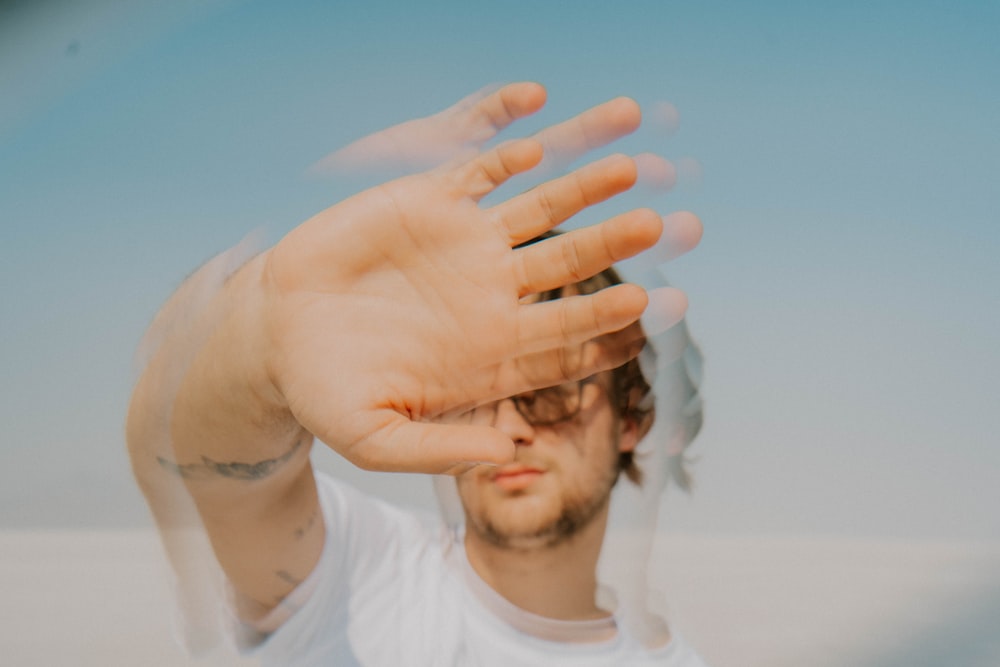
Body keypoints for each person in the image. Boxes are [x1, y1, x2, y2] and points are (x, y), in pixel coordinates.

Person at [127, 82, 707, 665]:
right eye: (477, 389)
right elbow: (188, 465)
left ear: (631, 419)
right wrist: (265, 331)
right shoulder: (355, 574)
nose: (508, 428)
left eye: (550, 393)